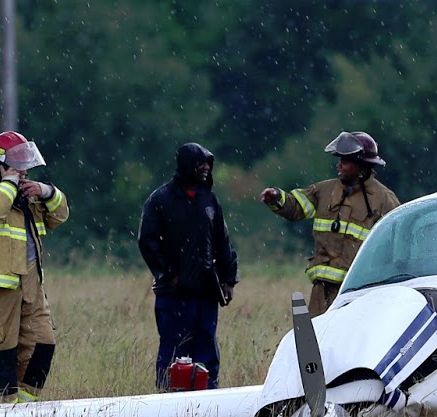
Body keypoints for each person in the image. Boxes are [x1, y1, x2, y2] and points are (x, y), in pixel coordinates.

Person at [0, 129, 69, 402]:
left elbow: (59, 215)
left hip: (31, 288)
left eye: (24, 169)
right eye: (16, 168)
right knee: (0, 355)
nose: (23, 174)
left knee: (42, 346)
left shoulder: (26, 197)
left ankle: (23, 410)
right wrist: (9, 185)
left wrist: (46, 191)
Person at [261, 131, 400, 317]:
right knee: (317, 341)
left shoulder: (384, 200)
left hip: (357, 293)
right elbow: (296, 207)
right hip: (321, 291)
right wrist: (277, 198)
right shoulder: (324, 190)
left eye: (345, 161)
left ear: (361, 167)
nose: (339, 164)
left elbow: (397, 244)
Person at [138, 142, 239, 389]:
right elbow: (147, 241)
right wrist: (167, 274)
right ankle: (166, 405)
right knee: (174, 350)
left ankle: (207, 401)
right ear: (186, 165)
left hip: (206, 291)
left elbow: (222, 242)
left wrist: (228, 279)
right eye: (200, 163)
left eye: (208, 163)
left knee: (206, 349)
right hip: (173, 294)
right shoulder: (160, 199)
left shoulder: (209, 200)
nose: (205, 168)